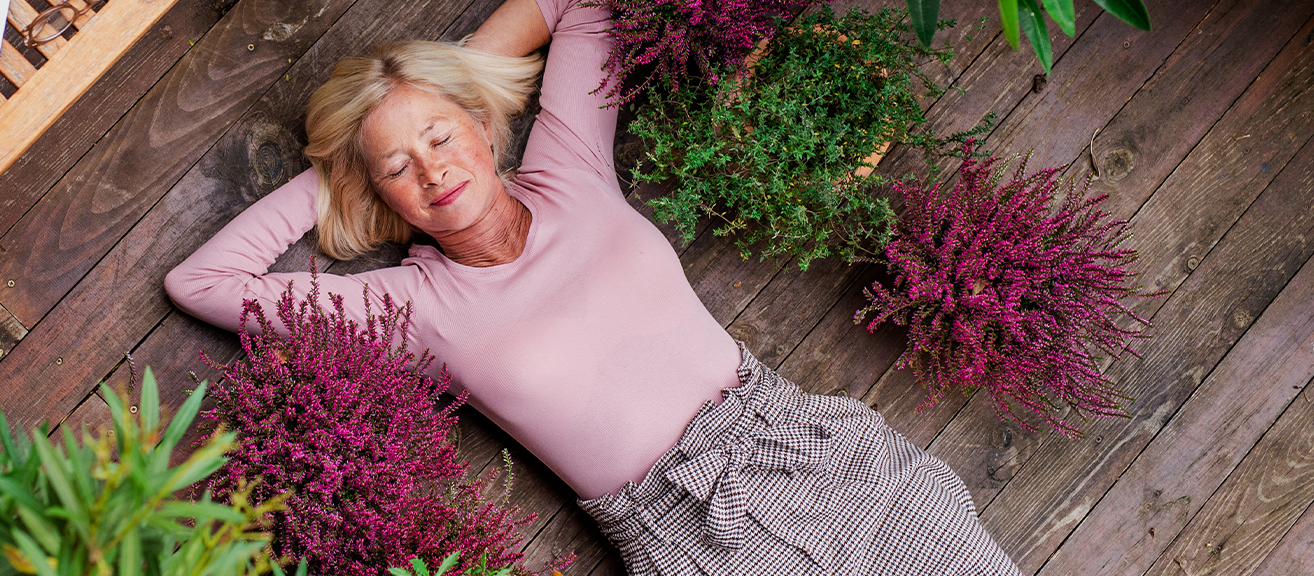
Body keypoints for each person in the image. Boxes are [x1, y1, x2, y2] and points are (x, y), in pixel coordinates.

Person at [165, 0, 1021, 574]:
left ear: (481, 126)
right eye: (399, 166)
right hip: (690, 534)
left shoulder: (569, 171)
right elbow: (199, 281)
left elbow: (578, 4)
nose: (432, 168)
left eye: (441, 135)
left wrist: (418, 86)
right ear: (380, 194)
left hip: (822, 458)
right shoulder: (407, 311)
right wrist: (340, 169)